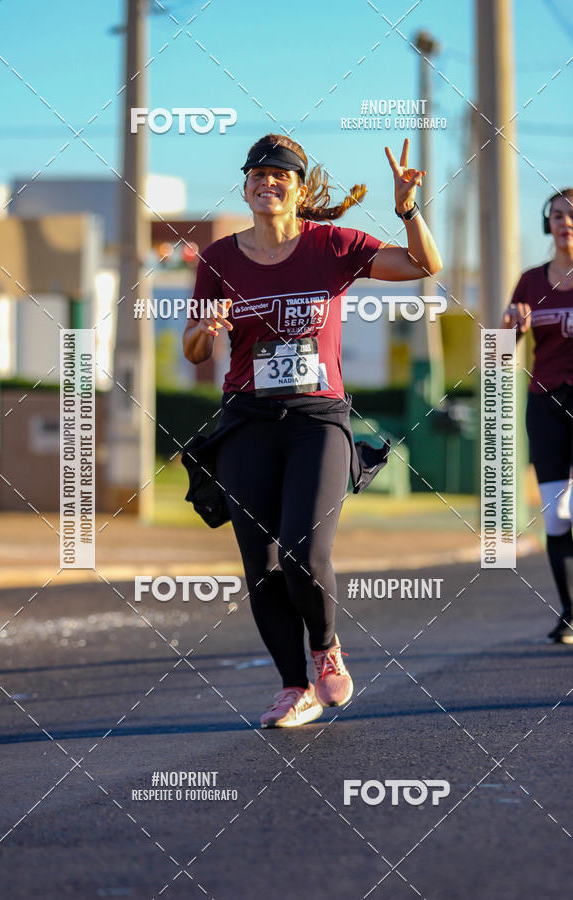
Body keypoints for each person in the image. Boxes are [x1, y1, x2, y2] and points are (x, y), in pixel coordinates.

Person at [182, 133, 442, 727]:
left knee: (304, 547)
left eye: (281, 176)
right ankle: (292, 685)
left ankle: (325, 649)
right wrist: (210, 329)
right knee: (261, 562)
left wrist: (408, 210)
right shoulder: (218, 259)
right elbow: (195, 349)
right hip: (247, 419)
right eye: (257, 174)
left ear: (300, 190)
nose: (267, 182)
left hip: (317, 420)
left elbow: (427, 265)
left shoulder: (332, 245)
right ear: (245, 186)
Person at [502, 188, 573, 644]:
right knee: (556, 514)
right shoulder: (532, 282)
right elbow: (501, 352)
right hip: (545, 401)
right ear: (547, 223)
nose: (565, 222)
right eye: (557, 215)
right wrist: (509, 325)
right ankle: (572, 613)